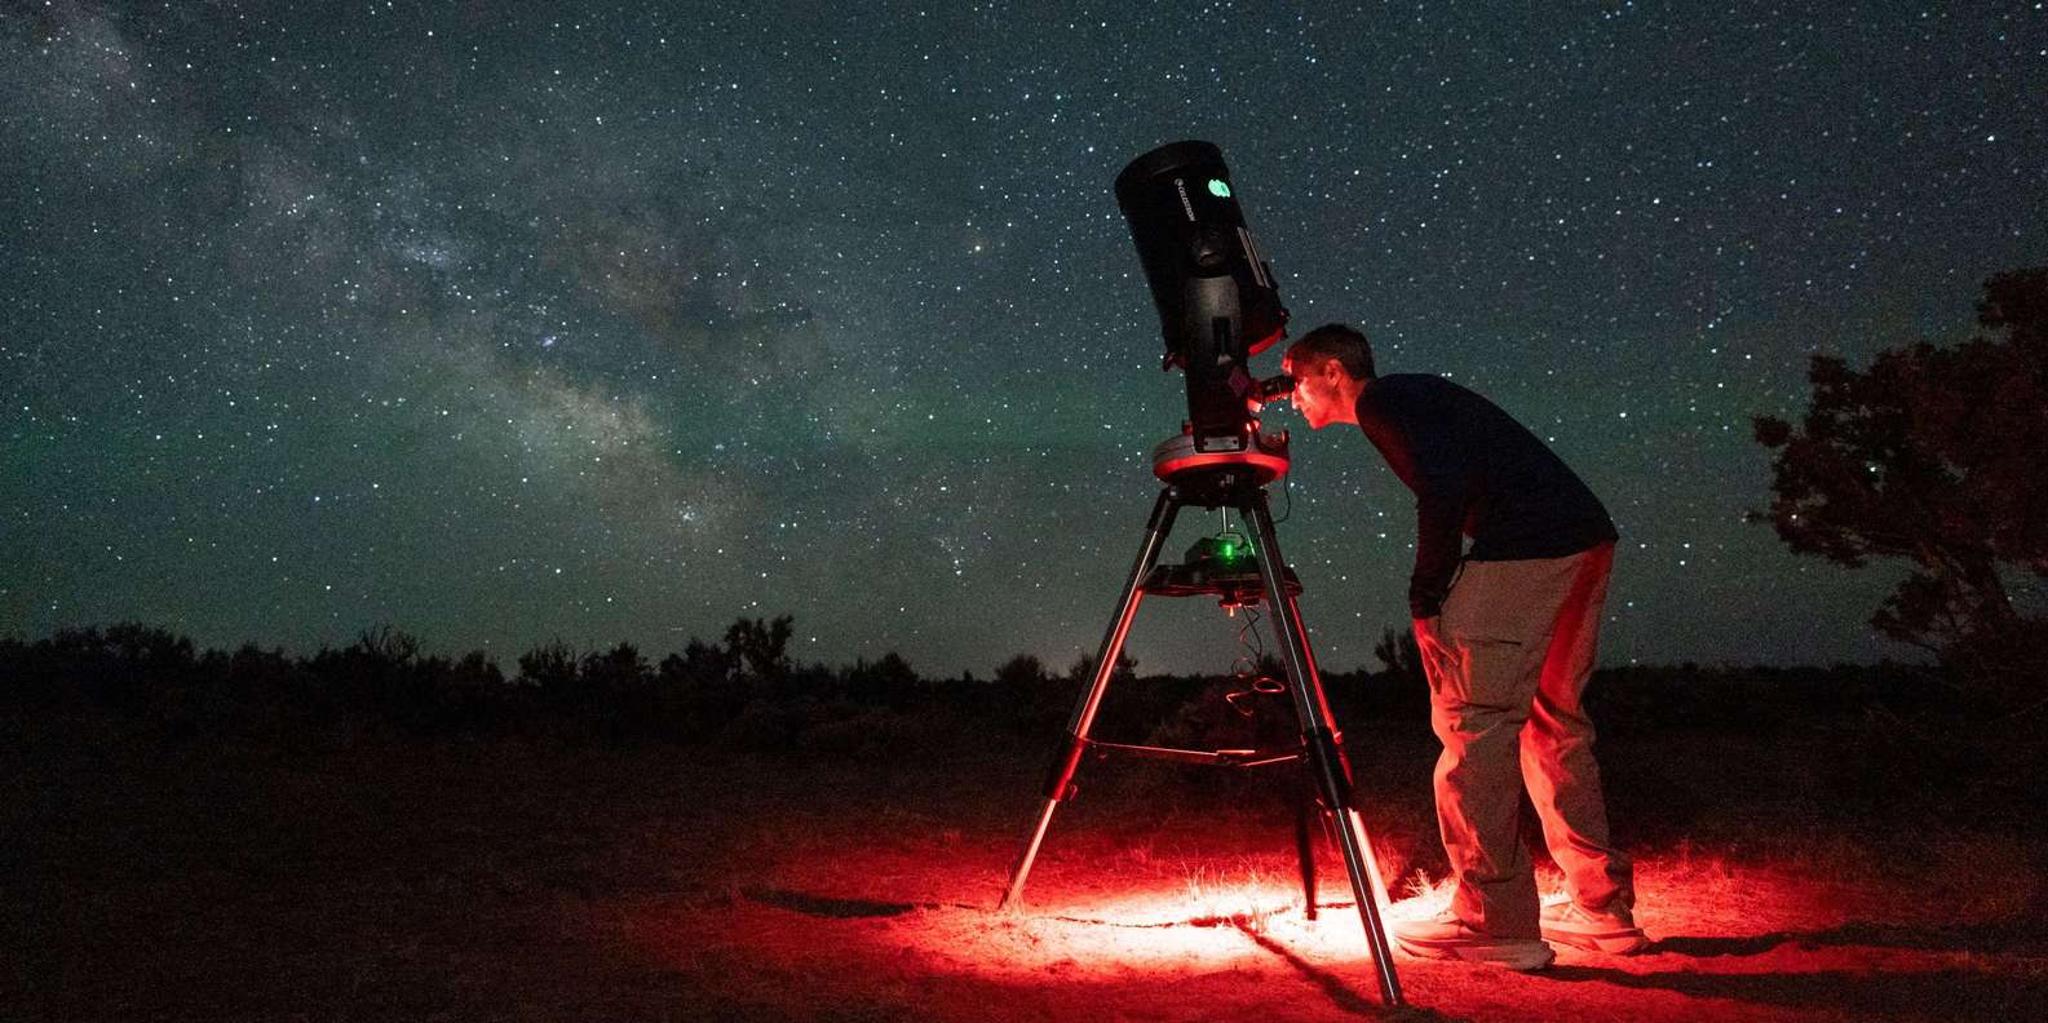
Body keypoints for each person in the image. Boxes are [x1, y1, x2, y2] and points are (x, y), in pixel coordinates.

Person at [1281, 323, 1648, 971]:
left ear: (1333, 371)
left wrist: (1427, 596)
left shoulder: (1382, 402)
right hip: (1583, 536)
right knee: (1552, 723)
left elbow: (1442, 487)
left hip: (1525, 545)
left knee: (1471, 722)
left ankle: (1494, 919)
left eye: (1294, 377)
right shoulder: (1410, 396)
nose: (1290, 394)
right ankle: (1602, 908)